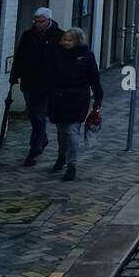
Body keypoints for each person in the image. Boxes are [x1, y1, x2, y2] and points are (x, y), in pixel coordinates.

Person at [48, 28, 103, 182]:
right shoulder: (57, 54)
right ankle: (62, 156)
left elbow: (94, 78)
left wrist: (98, 98)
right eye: (64, 39)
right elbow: (50, 76)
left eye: (69, 40)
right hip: (58, 98)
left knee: (72, 131)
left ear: (78, 41)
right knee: (61, 131)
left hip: (78, 99)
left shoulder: (86, 56)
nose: (65, 42)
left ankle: (71, 165)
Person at [11, 7, 62, 166]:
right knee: (32, 113)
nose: (37, 24)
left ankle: (34, 149)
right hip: (29, 81)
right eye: (35, 21)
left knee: (39, 116)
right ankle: (42, 139)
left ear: (48, 20)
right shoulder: (28, 36)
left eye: (40, 21)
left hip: (46, 83)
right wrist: (15, 74)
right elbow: (19, 56)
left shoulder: (59, 36)